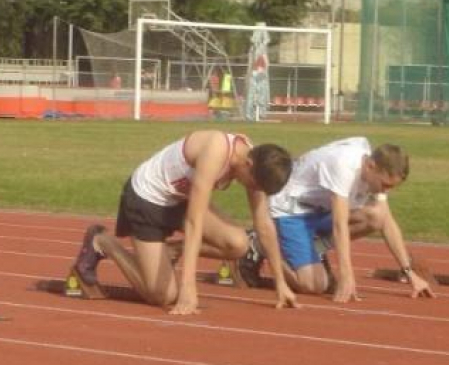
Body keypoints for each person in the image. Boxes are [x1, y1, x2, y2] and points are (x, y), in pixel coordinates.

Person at [72, 130, 296, 315]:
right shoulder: (216, 151)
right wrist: (188, 287)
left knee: (239, 244)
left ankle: (168, 251)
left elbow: (263, 224)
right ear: (248, 164)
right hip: (147, 199)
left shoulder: (254, 161)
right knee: (162, 296)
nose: (253, 190)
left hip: (179, 200)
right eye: (254, 185)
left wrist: (281, 283)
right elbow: (193, 221)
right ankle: (103, 242)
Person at [239, 137, 435, 302]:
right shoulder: (343, 165)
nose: (386, 191)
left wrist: (410, 274)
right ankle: (260, 244)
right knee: (313, 285)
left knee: (376, 216)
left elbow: (387, 222)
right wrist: (346, 275)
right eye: (384, 185)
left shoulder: (371, 164)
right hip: (291, 209)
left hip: (319, 210)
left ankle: (315, 249)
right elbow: (339, 224)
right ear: (370, 166)